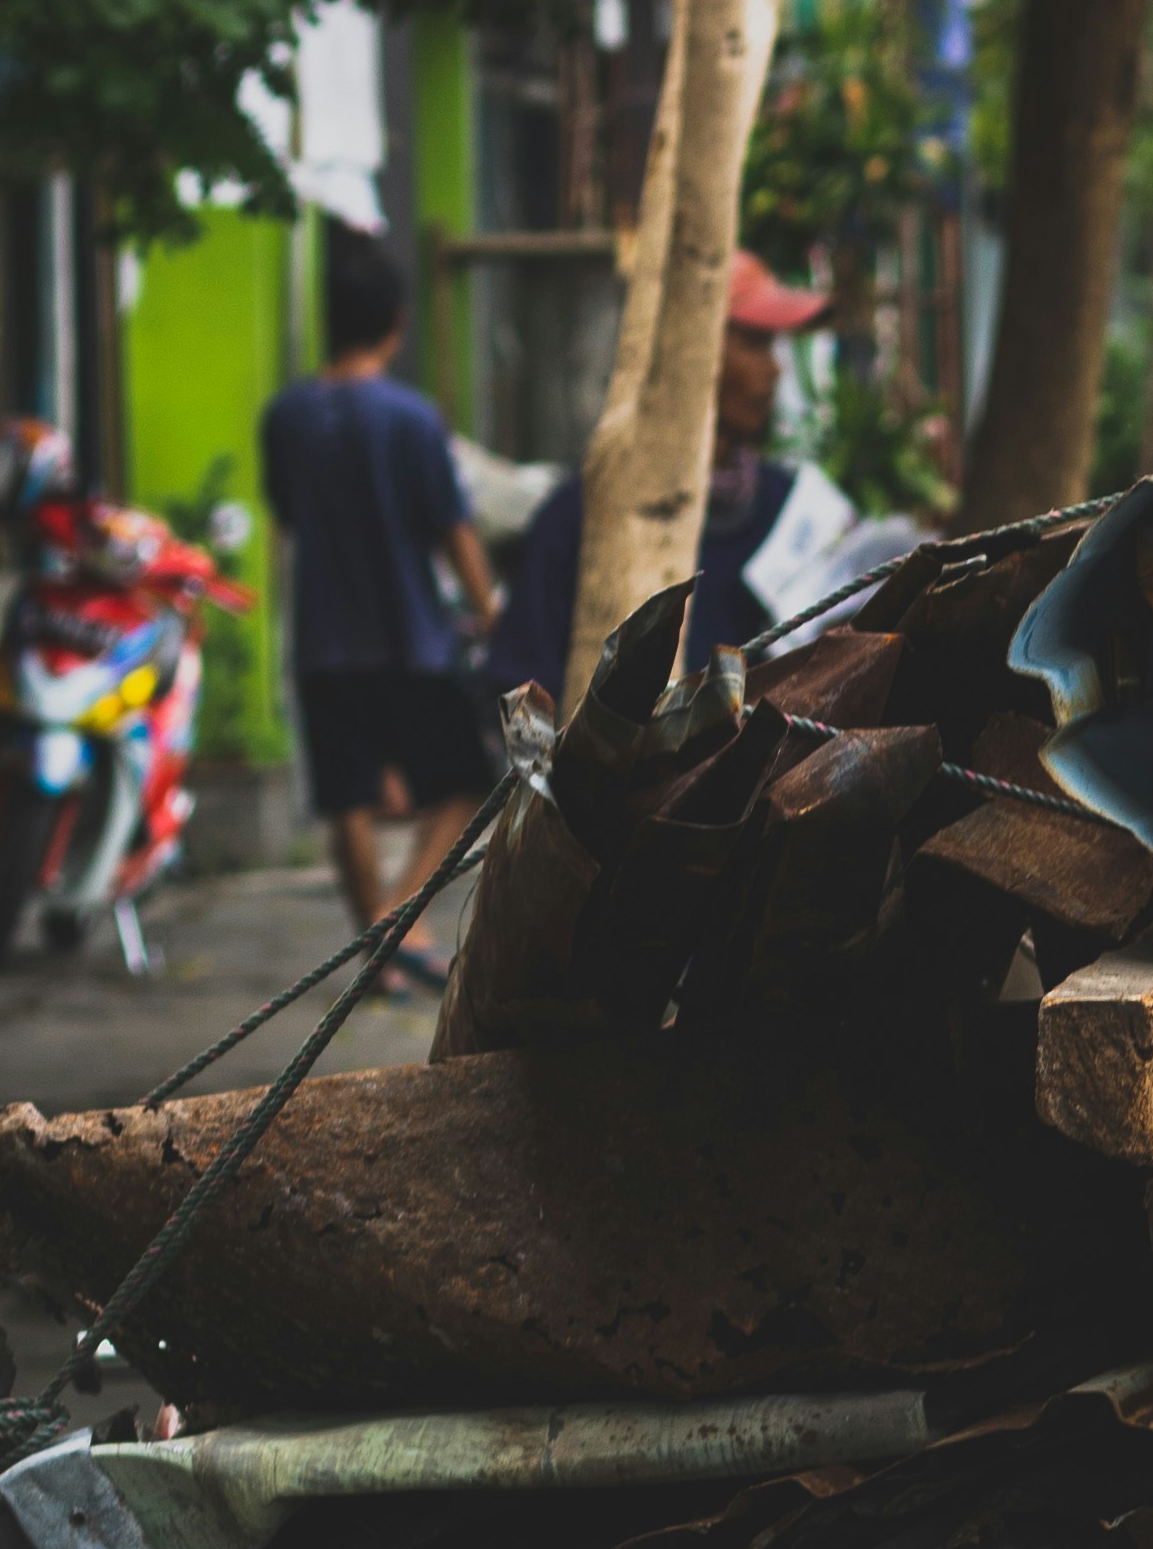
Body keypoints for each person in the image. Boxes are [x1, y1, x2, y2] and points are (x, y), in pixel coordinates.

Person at [258, 228, 501, 984]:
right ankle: (400, 917)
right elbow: (452, 527)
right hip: (411, 637)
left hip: (323, 639)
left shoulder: (286, 416)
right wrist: (492, 611)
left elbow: (287, 516)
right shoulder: (411, 418)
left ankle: (378, 946)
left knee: (348, 797)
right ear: (396, 322)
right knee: (468, 782)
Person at [484, 250, 831, 703]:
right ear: (688, 355)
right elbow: (522, 686)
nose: (775, 368)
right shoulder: (581, 518)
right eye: (754, 343)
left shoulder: (790, 513)